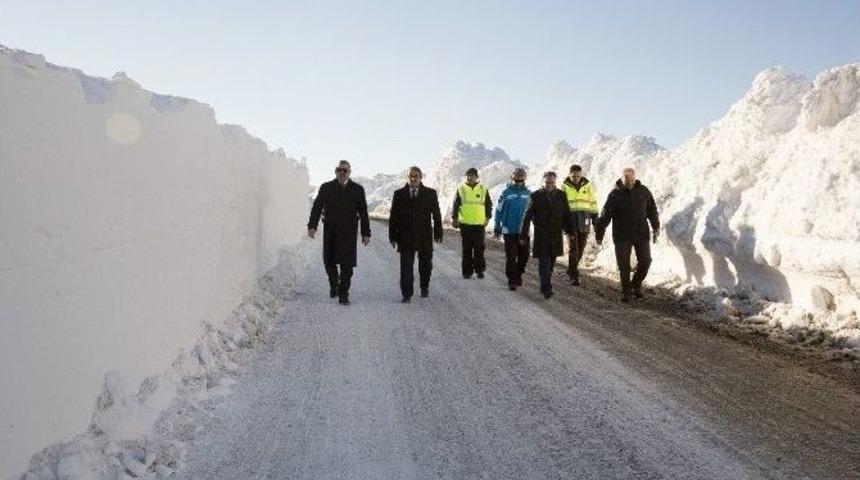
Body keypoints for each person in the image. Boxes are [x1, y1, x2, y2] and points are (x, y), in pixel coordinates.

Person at [307, 160, 371, 305]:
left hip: (349, 231)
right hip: (331, 230)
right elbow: (317, 207)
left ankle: (343, 293)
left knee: (347, 264)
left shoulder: (358, 189)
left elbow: (364, 213)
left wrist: (366, 233)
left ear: (349, 172)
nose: (342, 172)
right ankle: (334, 283)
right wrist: (312, 226)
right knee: (328, 260)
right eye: (339, 170)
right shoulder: (326, 187)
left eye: (345, 170)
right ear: (335, 171)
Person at [594, 167, 660, 303]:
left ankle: (635, 284)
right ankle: (626, 291)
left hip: (641, 233)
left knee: (646, 261)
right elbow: (605, 215)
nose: (630, 183)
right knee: (623, 265)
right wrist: (599, 234)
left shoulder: (643, 191)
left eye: (632, 180)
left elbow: (652, 210)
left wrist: (656, 226)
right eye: (627, 181)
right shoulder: (615, 194)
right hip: (622, 235)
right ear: (622, 180)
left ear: (635, 178)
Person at [389, 166, 443, 303]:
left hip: (424, 236)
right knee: (406, 267)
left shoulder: (430, 194)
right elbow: (393, 216)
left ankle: (424, 286)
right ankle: (407, 294)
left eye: (416, 176)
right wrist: (392, 235)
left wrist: (438, 233)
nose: (413, 178)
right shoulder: (399, 194)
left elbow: (436, 215)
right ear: (408, 178)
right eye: (411, 176)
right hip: (405, 236)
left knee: (426, 265)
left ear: (421, 178)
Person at [520, 171, 573, 299]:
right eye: (547, 182)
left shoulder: (561, 195)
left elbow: (566, 215)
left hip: (555, 235)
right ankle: (546, 288)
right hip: (541, 235)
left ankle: (546, 283)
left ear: (555, 182)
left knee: (551, 263)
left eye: (552, 182)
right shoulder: (535, 196)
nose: (549, 184)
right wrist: (523, 235)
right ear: (542, 182)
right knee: (544, 262)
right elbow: (526, 217)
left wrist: (570, 231)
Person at [493, 167, 531, 290]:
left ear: (524, 179)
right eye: (516, 179)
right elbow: (499, 210)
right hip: (509, 230)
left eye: (521, 180)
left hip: (523, 231)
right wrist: (497, 226)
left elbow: (533, 212)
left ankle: (518, 274)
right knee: (511, 256)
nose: (518, 182)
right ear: (512, 178)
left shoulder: (528, 194)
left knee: (524, 256)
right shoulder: (506, 193)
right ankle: (512, 280)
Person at [561, 164, 599, 286]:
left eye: (578, 176)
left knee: (581, 247)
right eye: (573, 176)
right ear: (569, 175)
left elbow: (592, 202)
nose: (576, 178)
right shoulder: (564, 186)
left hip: (584, 219)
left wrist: (595, 218)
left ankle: (571, 269)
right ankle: (574, 275)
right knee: (574, 247)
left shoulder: (587, 186)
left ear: (581, 174)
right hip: (570, 220)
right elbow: (561, 205)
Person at [451, 167, 492, 279]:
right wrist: (454, 218)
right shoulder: (461, 189)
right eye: (468, 175)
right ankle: (467, 272)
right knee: (467, 249)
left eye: (472, 175)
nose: (470, 177)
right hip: (465, 224)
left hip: (479, 224)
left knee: (479, 248)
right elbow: (456, 205)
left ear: (476, 177)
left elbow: (488, 204)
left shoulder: (483, 189)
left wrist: (488, 217)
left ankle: (480, 270)